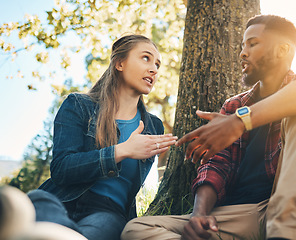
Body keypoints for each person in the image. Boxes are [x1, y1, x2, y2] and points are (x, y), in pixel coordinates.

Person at [121, 15, 296, 240]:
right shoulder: (234, 105)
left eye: (253, 44)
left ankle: (286, 235)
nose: (243, 53)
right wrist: (198, 215)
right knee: (136, 230)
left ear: (283, 49)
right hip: (243, 214)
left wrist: (241, 122)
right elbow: (217, 164)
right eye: (242, 45)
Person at [0, 34, 177, 240]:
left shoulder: (153, 126)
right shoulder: (78, 105)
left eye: (157, 64)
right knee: (36, 201)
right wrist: (121, 151)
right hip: (58, 200)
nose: (154, 69)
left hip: (108, 212)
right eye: (146, 58)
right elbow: (61, 169)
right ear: (119, 63)